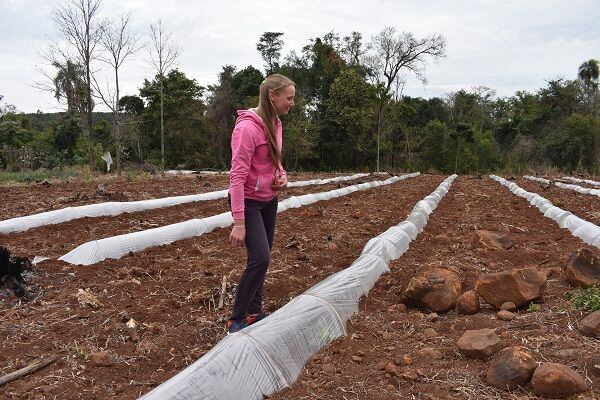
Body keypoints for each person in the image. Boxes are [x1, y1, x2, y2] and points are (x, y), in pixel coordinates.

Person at [226, 74, 296, 333]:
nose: (292, 103)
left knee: (261, 258)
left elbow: (275, 161)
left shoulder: (276, 123)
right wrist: (239, 221)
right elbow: (237, 176)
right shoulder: (246, 128)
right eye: (288, 98)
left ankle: (255, 312)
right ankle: (237, 319)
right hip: (249, 202)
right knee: (261, 258)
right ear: (272, 96)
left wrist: (282, 176)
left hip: (269, 200)